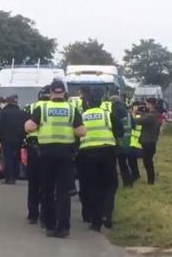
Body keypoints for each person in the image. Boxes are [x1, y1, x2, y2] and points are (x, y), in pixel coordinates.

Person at [24, 80, 86, 238]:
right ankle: (64, 227)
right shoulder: (71, 109)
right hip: (65, 154)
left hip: (46, 154)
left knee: (47, 190)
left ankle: (49, 224)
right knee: (63, 192)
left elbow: (30, 127)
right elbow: (81, 132)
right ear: (64, 92)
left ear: (51, 92)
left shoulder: (42, 108)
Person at [79, 88, 123, 232]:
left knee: (93, 188)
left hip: (88, 154)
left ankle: (96, 221)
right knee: (110, 186)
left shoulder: (82, 116)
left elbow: (76, 134)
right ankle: (107, 215)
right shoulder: (107, 115)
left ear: (88, 104)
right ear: (101, 104)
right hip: (107, 153)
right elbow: (119, 132)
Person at [24, 85, 50, 224]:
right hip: (50, 146)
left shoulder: (31, 107)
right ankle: (47, 215)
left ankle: (33, 214)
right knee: (49, 183)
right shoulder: (57, 108)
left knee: (33, 182)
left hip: (33, 147)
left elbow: (24, 127)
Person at [0, 95, 27, 185]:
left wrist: (2, 132)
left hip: (6, 138)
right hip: (19, 138)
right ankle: (16, 175)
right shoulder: (22, 113)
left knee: (8, 157)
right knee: (16, 157)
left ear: (8, 102)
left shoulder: (3, 112)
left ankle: (9, 178)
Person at [132, 98, 161, 185]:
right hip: (151, 140)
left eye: (147, 104)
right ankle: (150, 180)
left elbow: (137, 121)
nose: (145, 106)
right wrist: (138, 112)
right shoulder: (154, 114)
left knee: (147, 161)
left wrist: (133, 113)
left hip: (148, 141)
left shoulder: (151, 116)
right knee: (148, 161)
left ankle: (150, 181)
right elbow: (145, 115)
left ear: (151, 105)